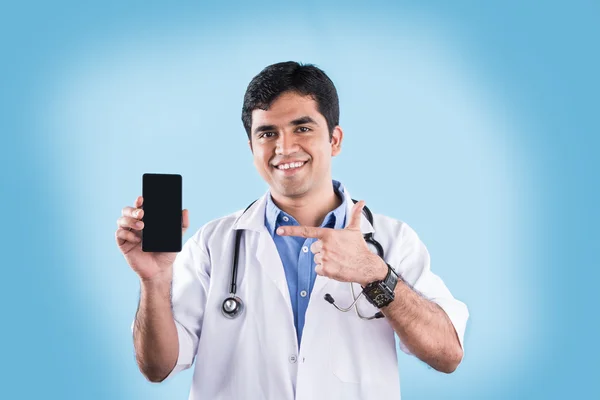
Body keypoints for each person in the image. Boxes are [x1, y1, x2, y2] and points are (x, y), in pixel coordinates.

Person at [116, 61, 469, 400]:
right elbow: (158, 367)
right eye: (268, 133)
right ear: (252, 147)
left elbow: (447, 354)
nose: (284, 148)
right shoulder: (213, 244)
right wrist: (154, 280)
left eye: (302, 128)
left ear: (334, 139)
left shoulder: (392, 241)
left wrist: (376, 275)